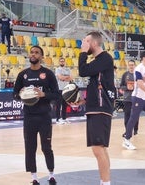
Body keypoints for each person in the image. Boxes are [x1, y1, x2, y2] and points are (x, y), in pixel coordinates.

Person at [13, 45, 59, 185]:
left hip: (44, 116)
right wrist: (20, 95)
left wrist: (44, 94)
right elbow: (14, 94)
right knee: (30, 147)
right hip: (29, 116)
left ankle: (51, 174)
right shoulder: (23, 74)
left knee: (46, 147)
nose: (33, 54)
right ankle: (34, 177)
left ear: (41, 56)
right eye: (32, 52)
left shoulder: (48, 74)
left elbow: (57, 94)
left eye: (36, 53)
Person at [78, 31, 116, 185]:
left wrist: (82, 53)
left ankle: (105, 182)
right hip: (97, 106)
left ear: (93, 43)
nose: (83, 44)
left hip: (101, 108)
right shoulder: (100, 61)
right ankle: (106, 182)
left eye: (86, 41)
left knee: (98, 149)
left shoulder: (104, 58)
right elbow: (99, 84)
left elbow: (83, 71)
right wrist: (86, 100)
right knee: (101, 149)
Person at [119, 59, 139, 136]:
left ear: (135, 66)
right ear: (128, 66)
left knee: (135, 115)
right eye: (130, 65)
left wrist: (135, 87)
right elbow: (121, 86)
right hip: (127, 98)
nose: (131, 66)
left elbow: (141, 86)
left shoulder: (138, 75)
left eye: (132, 65)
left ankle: (135, 129)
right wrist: (127, 87)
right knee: (127, 115)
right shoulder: (125, 75)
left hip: (136, 98)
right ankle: (127, 131)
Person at [55, 57, 72, 124]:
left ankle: (64, 118)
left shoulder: (68, 69)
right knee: (58, 105)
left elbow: (71, 78)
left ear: (65, 62)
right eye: (61, 61)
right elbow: (60, 77)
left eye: (63, 61)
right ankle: (57, 119)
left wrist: (64, 78)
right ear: (59, 62)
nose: (62, 62)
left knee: (65, 104)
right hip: (59, 89)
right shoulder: (57, 69)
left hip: (66, 89)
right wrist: (65, 78)